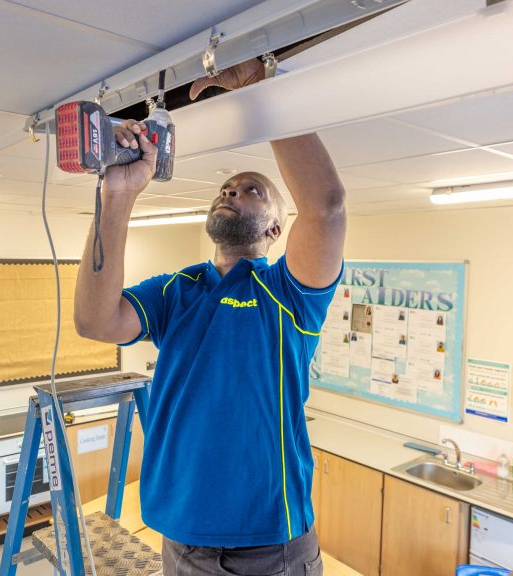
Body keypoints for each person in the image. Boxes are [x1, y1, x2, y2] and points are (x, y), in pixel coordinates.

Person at [74, 58, 346, 576]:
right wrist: (119, 194)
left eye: (253, 191)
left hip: (270, 544)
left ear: (274, 231)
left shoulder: (291, 294)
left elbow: (326, 205)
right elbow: (95, 321)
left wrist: (263, 90)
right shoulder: (177, 291)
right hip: (178, 538)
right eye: (227, 188)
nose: (232, 191)